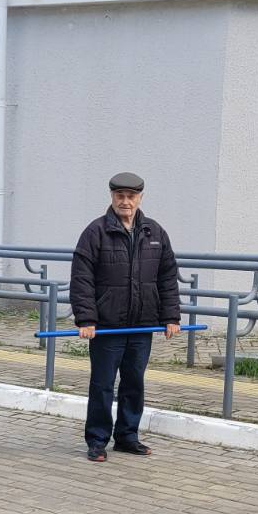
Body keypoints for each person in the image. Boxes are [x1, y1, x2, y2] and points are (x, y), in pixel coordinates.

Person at [69, 172, 181, 462]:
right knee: (103, 384)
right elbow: (82, 279)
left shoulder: (155, 233)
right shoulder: (95, 232)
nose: (126, 201)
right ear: (112, 197)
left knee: (134, 382)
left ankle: (127, 437)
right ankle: (97, 440)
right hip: (108, 325)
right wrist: (86, 319)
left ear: (140, 198)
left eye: (131, 196)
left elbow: (167, 277)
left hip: (142, 325)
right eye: (120, 196)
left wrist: (171, 316)